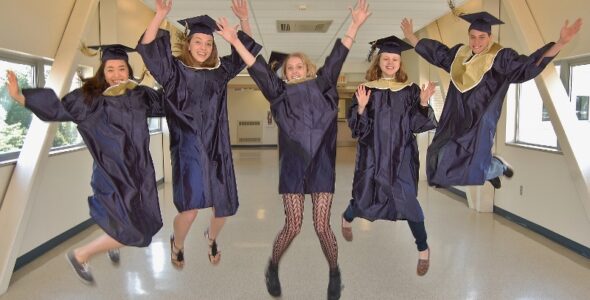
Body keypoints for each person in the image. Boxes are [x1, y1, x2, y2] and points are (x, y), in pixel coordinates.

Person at [219, 1, 370, 298]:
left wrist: (354, 25)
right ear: (285, 74)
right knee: (294, 225)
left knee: (322, 226)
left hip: (322, 165)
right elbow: (257, 67)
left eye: (300, 65)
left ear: (309, 68)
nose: (296, 69)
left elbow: (339, 55)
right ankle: (273, 265)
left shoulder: (324, 85)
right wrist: (236, 38)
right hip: (292, 166)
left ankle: (334, 272)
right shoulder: (279, 94)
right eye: (290, 67)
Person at [5, 44, 164, 284]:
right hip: (111, 175)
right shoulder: (90, 100)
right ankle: (82, 255)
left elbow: (168, 103)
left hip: (139, 173)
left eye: (121, 69)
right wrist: (20, 96)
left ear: (128, 70)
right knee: (137, 232)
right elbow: (57, 109)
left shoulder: (140, 96)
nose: (116, 75)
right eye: (110, 69)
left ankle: (114, 239)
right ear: (102, 72)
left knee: (146, 220)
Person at [137, 0, 262, 268]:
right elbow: (148, 48)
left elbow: (244, 52)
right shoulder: (173, 72)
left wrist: (244, 21)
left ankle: (212, 238)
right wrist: (159, 16)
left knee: (223, 207)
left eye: (208, 43)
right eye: (198, 42)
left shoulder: (220, 72)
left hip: (218, 149)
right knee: (190, 210)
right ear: (188, 44)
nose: (204, 47)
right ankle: (177, 243)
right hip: (187, 150)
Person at [401, 12, 583, 189]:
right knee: (436, 158)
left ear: (490, 37)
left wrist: (560, 43)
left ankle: (497, 167)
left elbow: (528, 66)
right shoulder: (459, 54)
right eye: (472, 37)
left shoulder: (501, 57)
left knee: (470, 168)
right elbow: (436, 54)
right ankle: (490, 169)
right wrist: (410, 36)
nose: (476, 42)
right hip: (455, 118)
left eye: (482, 37)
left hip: (479, 121)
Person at [340, 35, 438, 277]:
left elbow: (417, 125)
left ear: (400, 63)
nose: (391, 62)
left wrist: (423, 104)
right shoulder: (365, 90)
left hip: (401, 156)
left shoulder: (410, 91)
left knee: (409, 202)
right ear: (379, 61)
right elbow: (357, 129)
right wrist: (361, 107)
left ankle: (423, 249)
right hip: (372, 155)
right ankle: (346, 217)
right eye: (386, 58)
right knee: (364, 198)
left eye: (395, 59)